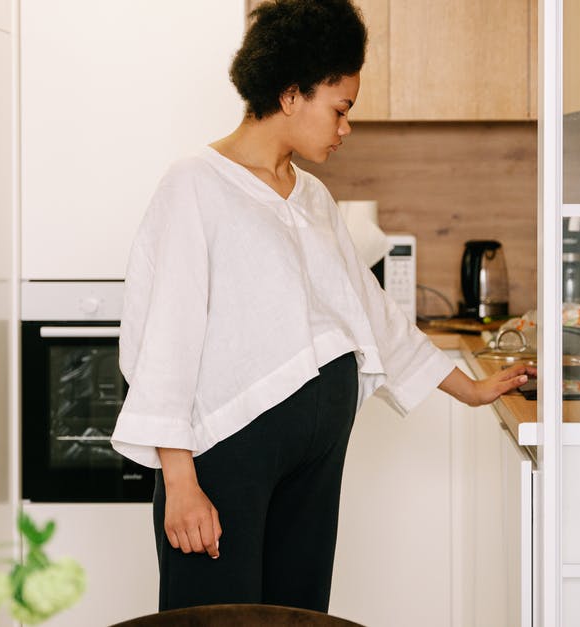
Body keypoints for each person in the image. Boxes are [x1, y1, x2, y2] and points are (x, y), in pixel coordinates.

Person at [110, 0, 533, 613]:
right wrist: (179, 480)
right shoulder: (195, 185)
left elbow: (371, 310)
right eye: (340, 108)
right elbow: (166, 338)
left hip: (315, 458)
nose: (345, 128)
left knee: (297, 618)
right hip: (228, 456)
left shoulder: (311, 195)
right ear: (289, 95)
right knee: (215, 621)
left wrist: (469, 389)